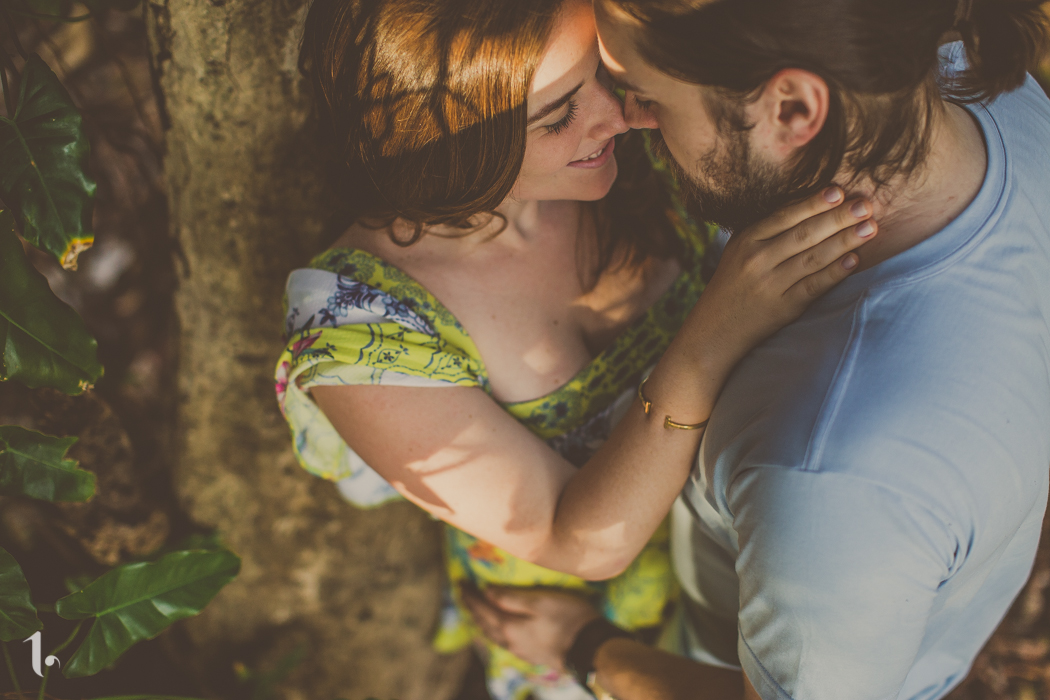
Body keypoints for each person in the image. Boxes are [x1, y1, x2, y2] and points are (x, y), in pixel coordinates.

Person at [275, 0, 875, 698]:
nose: (621, 114)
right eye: (559, 114)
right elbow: (582, 539)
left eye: (605, 74)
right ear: (442, 139)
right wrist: (711, 339)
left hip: (750, 572)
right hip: (585, 635)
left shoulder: (641, 143)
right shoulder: (363, 318)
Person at [462, 1, 1050, 699]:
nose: (629, 117)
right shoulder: (991, 93)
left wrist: (583, 646)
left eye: (647, 94)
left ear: (794, 109)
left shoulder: (827, 466)